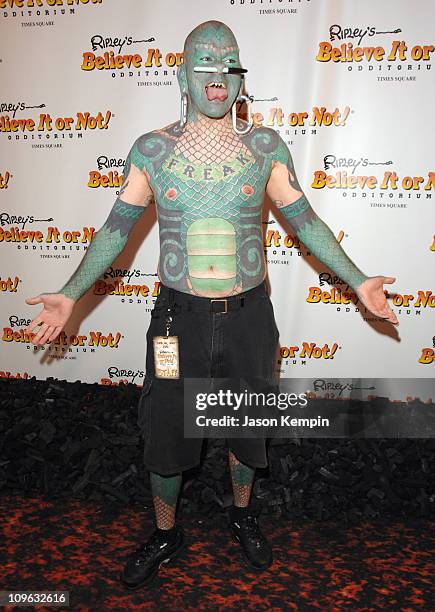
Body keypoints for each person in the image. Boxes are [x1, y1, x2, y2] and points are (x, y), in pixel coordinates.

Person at [24, 20, 398, 589]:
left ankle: (242, 515)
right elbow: (113, 231)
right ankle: (167, 532)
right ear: (182, 74)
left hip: (249, 319)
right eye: (204, 62)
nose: (217, 75)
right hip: (178, 323)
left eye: (228, 63)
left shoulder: (265, 146)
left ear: (239, 76)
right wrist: (72, 294)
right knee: (168, 430)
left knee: (245, 425)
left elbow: (307, 223)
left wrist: (359, 281)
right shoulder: (152, 150)